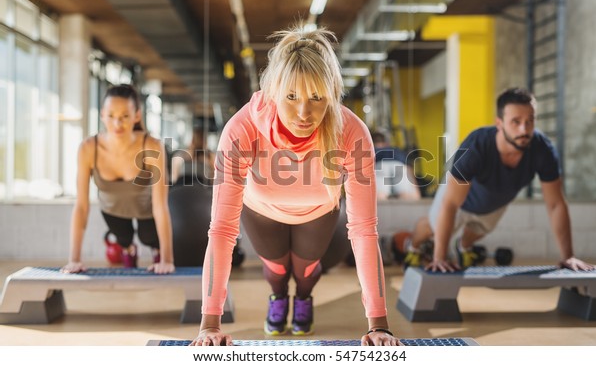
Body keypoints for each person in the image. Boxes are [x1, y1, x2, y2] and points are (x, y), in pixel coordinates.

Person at [190, 25, 401, 346]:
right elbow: (221, 230)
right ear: (274, 89)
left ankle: (303, 298)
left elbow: (363, 230)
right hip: (261, 210)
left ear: (330, 93)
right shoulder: (242, 128)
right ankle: (278, 297)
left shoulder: (351, 132)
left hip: (318, 211)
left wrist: (379, 325)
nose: (304, 113)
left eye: (316, 97)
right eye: (291, 96)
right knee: (276, 271)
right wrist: (209, 324)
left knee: (304, 273)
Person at [403, 87, 595, 273]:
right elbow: (451, 204)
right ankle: (414, 247)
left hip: (493, 203)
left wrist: (569, 256)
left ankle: (463, 246)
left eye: (530, 121)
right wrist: (440, 259)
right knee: (432, 228)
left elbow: (556, 205)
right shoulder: (475, 145)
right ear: (499, 123)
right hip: (458, 200)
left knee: (477, 231)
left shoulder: (542, 149)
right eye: (516, 122)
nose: (524, 129)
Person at [61, 84, 175, 275]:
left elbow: (160, 205)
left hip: (146, 209)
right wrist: (74, 260)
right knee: (124, 238)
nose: (117, 123)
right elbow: (81, 206)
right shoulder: (89, 148)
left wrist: (167, 259)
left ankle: (155, 251)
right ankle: (129, 251)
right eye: (111, 115)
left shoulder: (152, 146)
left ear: (136, 116)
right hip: (112, 209)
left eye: (124, 116)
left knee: (148, 237)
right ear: (102, 115)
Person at [371, 130, 421, 201]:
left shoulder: (372, 150)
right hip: (399, 165)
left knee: (379, 198)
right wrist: (417, 192)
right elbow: (408, 169)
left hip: (379, 165)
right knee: (407, 197)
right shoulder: (397, 150)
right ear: (386, 143)